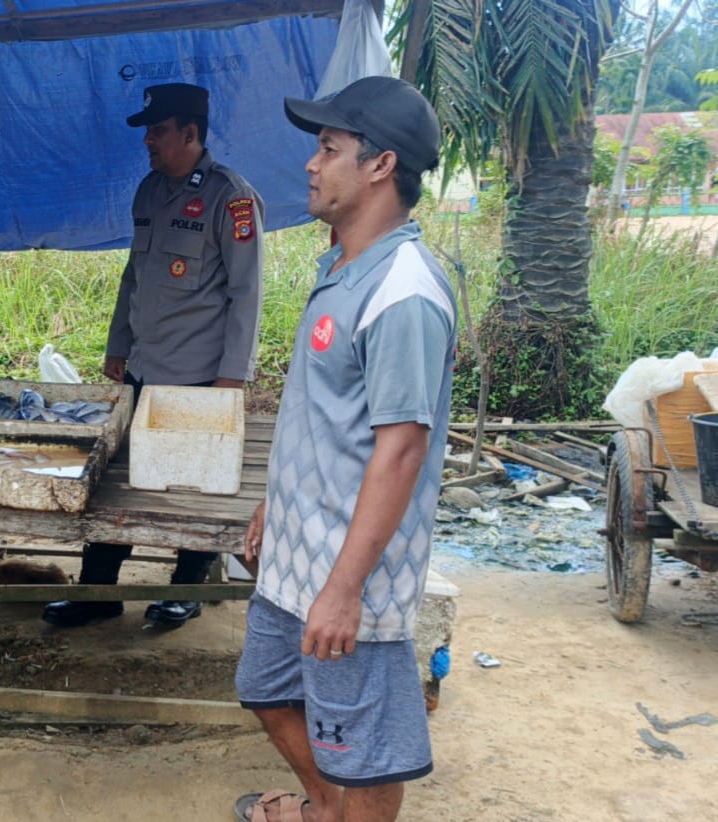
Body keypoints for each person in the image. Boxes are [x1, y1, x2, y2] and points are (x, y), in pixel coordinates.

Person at [232, 76, 455, 822]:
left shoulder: (404, 292)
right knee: (265, 688)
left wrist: (344, 588)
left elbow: (399, 451)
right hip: (297, 555)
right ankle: (325, 809)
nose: (309, 164)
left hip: (346, 576)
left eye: (328, 148)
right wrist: (274, 504)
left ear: (379, 166)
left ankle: (339, 809)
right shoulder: (341, 269)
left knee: (359, 748)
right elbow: (321, 415)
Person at [42, 83, 264, 629]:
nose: (148, 140)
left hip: (198, 378)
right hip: (142, 370)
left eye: (158, 130)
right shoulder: (148, 192)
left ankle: (185, 590)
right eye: (148, 130)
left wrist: (231, 379)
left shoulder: (229, 198)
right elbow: (133, 276)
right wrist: (118, 345)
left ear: (190, 133)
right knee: (113, 481)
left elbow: (247, 292)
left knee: (191, 488)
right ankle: (98, 594)